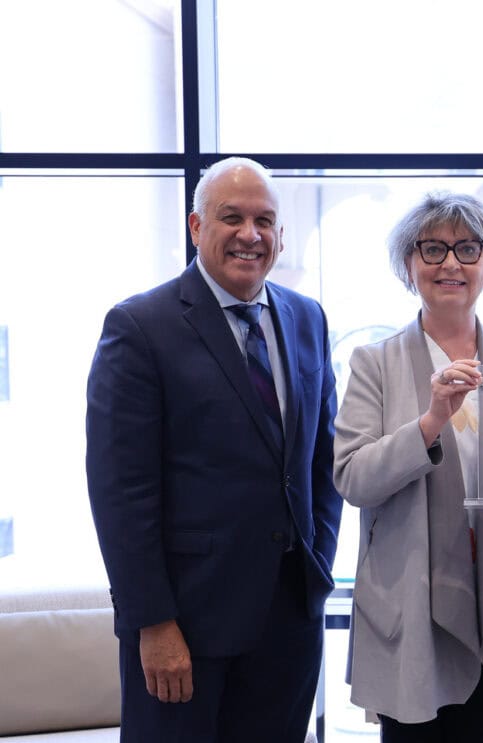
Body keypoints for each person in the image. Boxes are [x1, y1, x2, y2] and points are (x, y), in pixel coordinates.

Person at [85, 157, 342, 742]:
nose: (251, 235)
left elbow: (320, 462)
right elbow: (120, 491)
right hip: (184, 629)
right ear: (197, 227)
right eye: (232, 218)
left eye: (265, 220)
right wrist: (152, 621)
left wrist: (318, 565)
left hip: (288, 623)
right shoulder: (140, 326)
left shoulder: (306, 318)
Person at [333, 192, 483, 742]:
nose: (450, 264)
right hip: (411, 600)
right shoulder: (375, 363)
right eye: (433, 249)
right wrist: (430, 420)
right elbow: (352, 478)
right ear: (408, 264)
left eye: (468, 249)